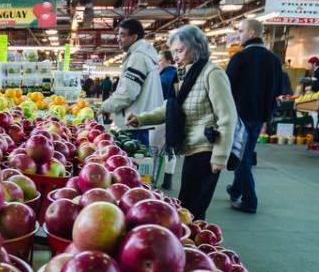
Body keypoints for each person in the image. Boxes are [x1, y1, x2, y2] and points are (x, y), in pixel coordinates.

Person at [127, 25, 237, 221]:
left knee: (193, 206)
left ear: (196, 47)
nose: (176, 56)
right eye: (174, 52)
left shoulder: (213, 74)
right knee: (187, 204)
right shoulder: (185, 74)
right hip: (193, 149)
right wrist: (142, 118)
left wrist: (220, 156)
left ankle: (192, 244)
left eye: (180, 50)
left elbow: (227, 116)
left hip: (207, 149)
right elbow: (171, 108)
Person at [224, 19, 285, 214]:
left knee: (241, 156)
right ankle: (235, 189)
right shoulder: (274, 60)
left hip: (241, 115)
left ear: (251, 33)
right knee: (245, 151)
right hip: (259, 116)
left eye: (241, 31)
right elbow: (278, 90)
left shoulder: (240, 58)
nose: (239, 35)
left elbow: (226, 87)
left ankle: (250, 200)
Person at [101, 19, 161, 143]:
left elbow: (128, 93)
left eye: (122, 35)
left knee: (134, 160)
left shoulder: (138, 57)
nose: (118, 38)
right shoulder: (143, 54)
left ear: (134, 37)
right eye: (118, 34)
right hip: (139, 122)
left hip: (134, 124)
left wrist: (105, 106)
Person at [157, 49, 178, 188]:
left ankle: (151, 179)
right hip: (176, 116)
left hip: (160, 115)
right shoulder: (180, 74)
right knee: (170, 148)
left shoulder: (161, 78)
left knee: (154, 148)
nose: (158, 63)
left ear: (169, 61)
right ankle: (168, 179)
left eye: (160, 60)